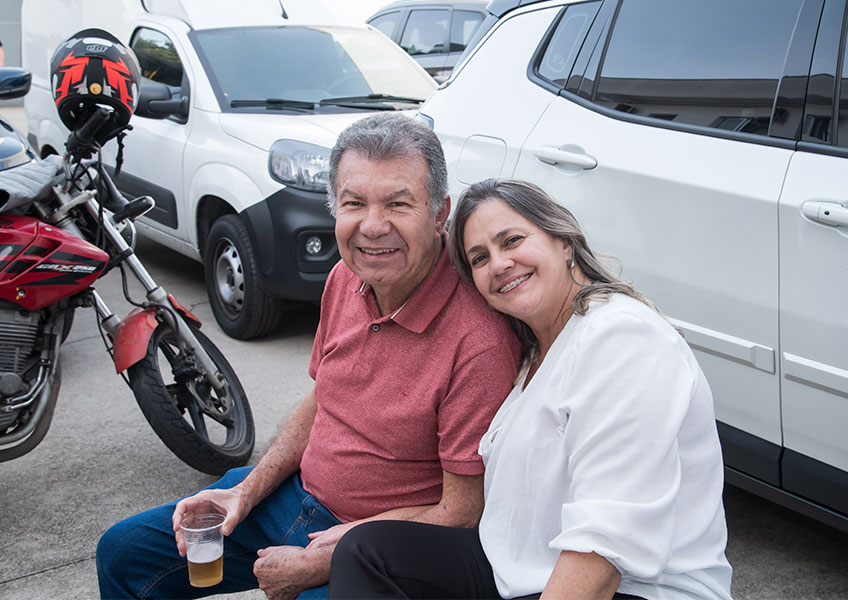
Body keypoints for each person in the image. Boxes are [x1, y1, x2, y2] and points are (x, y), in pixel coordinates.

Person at [95, 115, 521, 599]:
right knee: (122, 553)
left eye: (398, 204)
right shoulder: (345, 277)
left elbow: (462, 513)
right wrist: (245, 491)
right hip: (296, 497)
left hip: (380, 546)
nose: (372, 226)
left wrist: (326, 558)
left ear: (439, 211)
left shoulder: (478, 340)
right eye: (353, 203)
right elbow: (323, 400)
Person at [329, 179, 733, 600]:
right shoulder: (533, 356)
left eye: (512, 240)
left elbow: (604, 548)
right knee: (367, 551)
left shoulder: (621, 337)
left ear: (564, 242)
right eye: (480, 258)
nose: (499, 264)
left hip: (636, 588)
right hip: (525, 571)